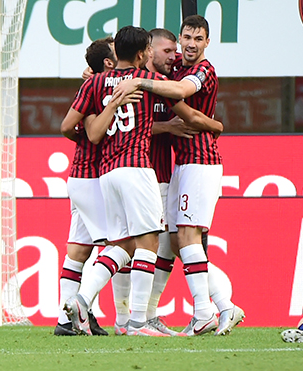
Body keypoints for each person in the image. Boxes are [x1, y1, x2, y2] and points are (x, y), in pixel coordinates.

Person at [114, 15, 245, 337]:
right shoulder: (176, 69)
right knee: (173, 242)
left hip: (200, 161)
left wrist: (140, 83)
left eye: (196, 39)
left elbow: (182, 95)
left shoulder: (202, 71)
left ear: (206, 43)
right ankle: (215, 307)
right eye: (185, 38)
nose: (188, 45)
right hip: (181, 165)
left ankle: (206, 310)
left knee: (185, 237)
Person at [54, 37, 119, 336]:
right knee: (119, 245)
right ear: (108, 61)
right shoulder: (97, 88)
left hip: (81, 175)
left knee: (78, 251)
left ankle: (66, 320)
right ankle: (82, 306)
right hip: (92, 176)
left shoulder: (97, 83)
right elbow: (70, 127)